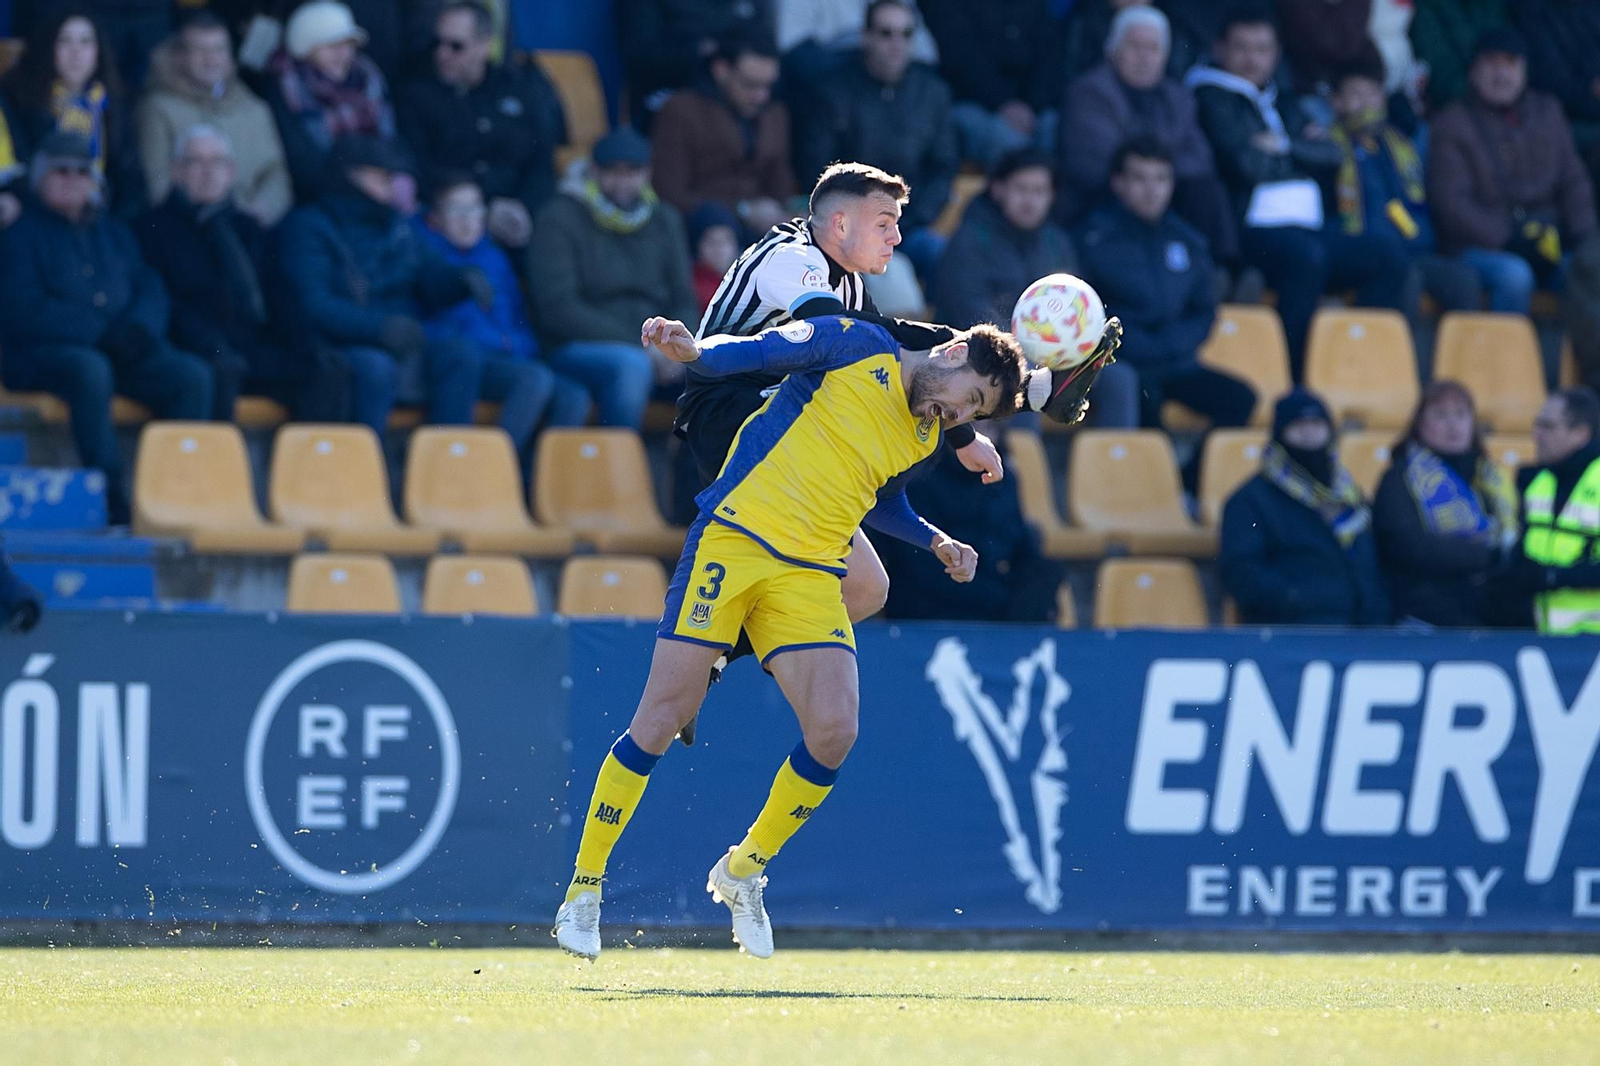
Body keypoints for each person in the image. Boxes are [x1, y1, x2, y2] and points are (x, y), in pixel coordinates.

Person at [551, 312, 1026, 961]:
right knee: (659, 719)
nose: (960, 414)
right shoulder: (857, 345)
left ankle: (742, 870)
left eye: (975, 411)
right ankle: (583, 891)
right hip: (735, 539)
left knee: (835, 731)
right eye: (968, 396)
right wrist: (695, 351)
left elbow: (881, 498)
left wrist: (934, 539)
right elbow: (756, 351)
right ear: (951, 352)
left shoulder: (923, 436)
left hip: (810, 573)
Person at [0, 133, 213, 525]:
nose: (72, 180)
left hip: (119, 346)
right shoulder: (19, 235)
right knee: (89, 369)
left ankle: (171, 492)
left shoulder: (114, 231)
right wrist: (99, 333)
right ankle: (110, 494)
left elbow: (149, 285)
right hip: (42, 355)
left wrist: (140, 329)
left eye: (82, 172)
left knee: (190, 377)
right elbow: (23, 308)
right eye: (60, 171)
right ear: (40, 179)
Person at [1189, 8, 1411, 377]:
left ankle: (1354, 364)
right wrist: (1300, 150)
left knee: (1388, 256)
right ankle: (1294, 373)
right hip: (1251, 230)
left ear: (1276, 54)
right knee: (1306, 257)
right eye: (1242, 48)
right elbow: (1246, 165)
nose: (1252, 59)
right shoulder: (1211, 98)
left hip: (1309, 228)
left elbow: (1332, 154)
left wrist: (1283, 146)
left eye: (1262, 49)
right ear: (1220, 48)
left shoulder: (1283, 100)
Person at [136, 125, 353, 424]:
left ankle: (309, 455)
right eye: (196, 162)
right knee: (221, 370)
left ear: (231, 172)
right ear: (176, 171)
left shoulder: (249, 229)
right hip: (198, 347)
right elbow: (168, 304)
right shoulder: (152, 229)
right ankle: (217, 456)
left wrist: (309, 344)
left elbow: (281, 294)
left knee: (327, 369)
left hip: (252, 346)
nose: (208, 172)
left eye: (218, 162)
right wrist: (212, 346)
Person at [276, 136, 485, 438]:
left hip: (399, 343)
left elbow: (428, 276)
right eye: (384, 176)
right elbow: (312, 305)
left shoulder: (397, 224)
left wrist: (461, 281)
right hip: (339, 346)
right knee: (375, 367)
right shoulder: (310, 225)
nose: (393, 185)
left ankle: (445, 457)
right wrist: (379, 328)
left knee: (460, 354)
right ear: (352, 175)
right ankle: (367, 461)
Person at [1076, 138, 1254, 432]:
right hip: (1126, 361)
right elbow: (1087, 311)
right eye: (1140, 178)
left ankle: (1197, 464)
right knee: (1144, 397)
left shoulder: (1188, 239)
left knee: (1239, 399)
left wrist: (1172, 345)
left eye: (1161, 179)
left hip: (1178, 362)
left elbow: (1204, 310)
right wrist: (1137, 346)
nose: (1152, 190)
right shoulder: (1093, 240)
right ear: (1118, 183)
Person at [527, 128, 698, 430]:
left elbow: (683, 298)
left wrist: (676, 345)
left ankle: (698, 462)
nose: (622, 182)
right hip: (576, 345)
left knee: (719, 368)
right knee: (631, 366)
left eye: (632, 172)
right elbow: (559, 308)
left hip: (655, 347)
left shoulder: (665, 219)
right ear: (594, 171)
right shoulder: (559, 217)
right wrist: (643, 346)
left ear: (647, 173)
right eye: (612, 172)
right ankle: (617, 457)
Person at [419, 174, 590, 466]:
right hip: (467, 361)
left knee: (574, 397)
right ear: (436, 218)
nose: (467, 219)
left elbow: (516, 317)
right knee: (533, 379)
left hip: (507, 357)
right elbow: (433, 325)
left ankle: (537, 481)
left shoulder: (495, 257)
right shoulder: (426, 254)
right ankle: (491, 472)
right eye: (457, 210)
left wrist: (517, 347)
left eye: (474, 209)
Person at [1428, 28, 1597, 316]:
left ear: (1524, 70)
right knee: (1515, 276)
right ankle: (1501, 348)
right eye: (1492, 63)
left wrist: (1583, 238)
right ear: (1474, 71)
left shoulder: (1547, 112)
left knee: (1589, 268)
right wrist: (1507, 239)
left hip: (1546, 243)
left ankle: (1585, 348)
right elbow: (1451, 204)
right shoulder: (1452, 122)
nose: (1502, 73)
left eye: (1511, 63)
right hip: (1476, 248)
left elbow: (1574, 183)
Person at [795, 0, 959, 282]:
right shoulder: (832, 91)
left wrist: (907, 218)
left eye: (906, 34)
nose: (897, 43)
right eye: (886, 33)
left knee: (949, 260)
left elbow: (943, 167)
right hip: (851, 231)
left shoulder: (933, 93)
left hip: (911, 226)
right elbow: (817, 170)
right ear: (866, 36)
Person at [1058, 4, 1234, 261]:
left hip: (1165, 191)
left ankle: (1222, 269)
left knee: (1207, 191)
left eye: (1153, 48)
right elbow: (1096, 162)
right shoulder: (1090, 92)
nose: (1144, 57)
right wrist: (1157, 168)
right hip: (1108, 194)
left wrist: (1157, 175)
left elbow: (1199, 159)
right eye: (1135, 46)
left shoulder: (1178, 97)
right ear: (1113, 49)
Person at [397, 0, 566, 249]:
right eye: (437, 43)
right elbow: (417, 166)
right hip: (449, 226)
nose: (442, 54)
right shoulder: (417, 96)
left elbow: (540, 162)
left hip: (520, 218)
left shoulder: (518, 89)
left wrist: (525, 208)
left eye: (456, 46)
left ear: (484, 46)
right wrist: (482, 209)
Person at [1219, 388, 1391, 625]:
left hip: (1364, 631)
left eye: (1317, 424)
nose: (1309, 433)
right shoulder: (1251, 500)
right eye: (1298, 425)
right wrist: (1295, 599)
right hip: (1294, 631)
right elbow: (1242, 571)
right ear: (1280, 434)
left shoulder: (1351, 496)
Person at [1328, 60, 1482, 313]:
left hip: (1412, 251)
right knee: (1405, 278)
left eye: (1373, 93)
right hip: (1360, 254)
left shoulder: (1402, 145)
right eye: (1356, 94)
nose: (1366, 103)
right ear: (1337, 102)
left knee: (1463, 279)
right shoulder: (1327, 146)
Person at [876, 425, 1064, 622]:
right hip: (940, 596)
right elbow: (921, 567)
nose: (984, 438)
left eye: (990, 428)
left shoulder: (1005, 479)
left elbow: (1018, 541)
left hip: (995, 593)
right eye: (974, 429)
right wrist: (1000, 598)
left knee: (1046, 573)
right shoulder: (920, 478)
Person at [1371, 381, 1518, 627]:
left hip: (1492, 610)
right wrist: (1487, 554)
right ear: (1420, 424)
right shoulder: (1399, 478)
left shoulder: (1494, 480)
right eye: (1440, 415)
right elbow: (1408, 546)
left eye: (1461, 414)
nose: (1453, 424)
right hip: (1426, 614)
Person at [135, 11, 292, 226]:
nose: (211, 59)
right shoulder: (158, 108)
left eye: (219, 49)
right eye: (200, 50)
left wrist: (260, 210)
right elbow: (157, 182)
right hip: (188, 228)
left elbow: (275, 172)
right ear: (180, 56)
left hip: (251, 228)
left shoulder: (254, 108)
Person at [2, 7, 146, 218]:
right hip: (36, 215)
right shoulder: (20, 100)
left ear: (98, 53)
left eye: (85, 42)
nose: (75, 52)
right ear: (48, 48)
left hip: (99, 218)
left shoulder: (113, 105)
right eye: (65, 41)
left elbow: (130, 180)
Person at [649, 33, 796, 239]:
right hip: (702, 233)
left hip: (767, 232)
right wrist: (743, 210)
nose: (761, 96)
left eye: (767, 86)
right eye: (750, 84)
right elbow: (669, 194)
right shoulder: (681, 111)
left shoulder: (774, 114)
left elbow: (781, 181)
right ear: (721, 70)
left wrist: (791, 212)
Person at [264, 1, 399, 201]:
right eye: (331, 46)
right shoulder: (287, 90)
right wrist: (357, 181)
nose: (343, 54)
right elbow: (302, 162)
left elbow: (391, 138)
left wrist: (401, 173)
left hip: (381, 187)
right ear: (305, 49)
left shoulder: (369, 79)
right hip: (323, 198)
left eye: (348, 44)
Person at [1493, 387, 1600, 634]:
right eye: (1537, 425)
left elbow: (1544, 575)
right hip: (1548, 638)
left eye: (1548, 427)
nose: (1536, 435)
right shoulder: (1539, 483)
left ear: (1581, 434)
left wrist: (1553, 577)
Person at [918, 0, 1064, 169]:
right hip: (971, 101)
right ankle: (1016, 185)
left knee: (1054, 126)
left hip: (1031, 104)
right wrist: (1004, 102)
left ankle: (1042, 185)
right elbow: (960, 58)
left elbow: (1049, 54)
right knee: (1007, 140)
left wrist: (1032, 104)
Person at [616, 0, 774, 130]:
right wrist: (699, 48)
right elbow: (640, 53)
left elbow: (761, 41)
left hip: (736, 107)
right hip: (667, 101)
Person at [1410, 0, 1508, 113]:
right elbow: (1441, 71)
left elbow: (1509, 44)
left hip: (1508, 95)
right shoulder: (1426, 8)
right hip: (1459, 103)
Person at [687, 202, 741, 313]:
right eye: (711, 241)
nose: (719, 248)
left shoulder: (747, 281)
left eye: (726, 240)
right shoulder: (691, 287)